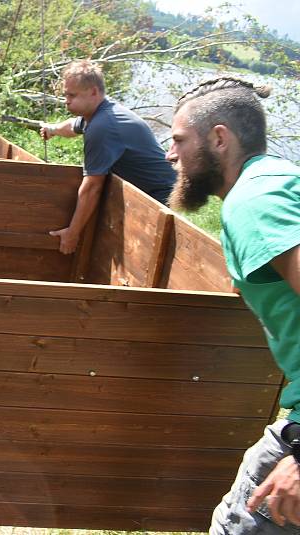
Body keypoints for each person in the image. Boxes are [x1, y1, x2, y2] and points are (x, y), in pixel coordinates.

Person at [165, 76, 300, 533]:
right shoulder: (275, 181)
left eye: (179, 140)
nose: (170, 153)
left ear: (219, 138)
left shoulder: (254, 201)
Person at [39, 60, 176, 254]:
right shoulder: (99, 112)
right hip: (146, 190)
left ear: (94, 92)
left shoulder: (103, 126)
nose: (66, 100)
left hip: (159, 196)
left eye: (72, 95)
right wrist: (52, 129)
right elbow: (73, 126)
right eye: (65, 95)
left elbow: (92, 187)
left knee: (139, 254)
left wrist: (73, 233)